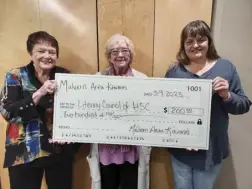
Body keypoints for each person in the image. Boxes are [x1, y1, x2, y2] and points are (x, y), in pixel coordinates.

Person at [165, 20, 251, 189]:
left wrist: (227, 95)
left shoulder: (226, 67)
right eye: (189, 42)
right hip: (181, 150)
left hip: (211, 151)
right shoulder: (175, 71)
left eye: (201, 40)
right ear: (183, 46)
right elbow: (164, 109)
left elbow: (244, 105)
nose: (195, 45)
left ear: (209, 41)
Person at [0, 31, 79, 189]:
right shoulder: (15, 76)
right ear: (31, 54)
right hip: (23, 152)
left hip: (59, 152)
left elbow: (78, 110)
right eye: (41, 51)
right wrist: (40, 92)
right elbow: (8, 112)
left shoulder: (65, 76)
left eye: (52, 52)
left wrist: (73, 140)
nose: (47, 56)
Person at [87, 34, 151, 189]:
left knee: (130, 184)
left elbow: (148, 112)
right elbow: (90, 108)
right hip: (106, 149)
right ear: (109, 57)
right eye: (114, 51)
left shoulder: (142, 79)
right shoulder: (98, 79)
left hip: (131, 148)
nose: (120, 55)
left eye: (124, 50)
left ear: (131, 54)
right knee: (107, 184)